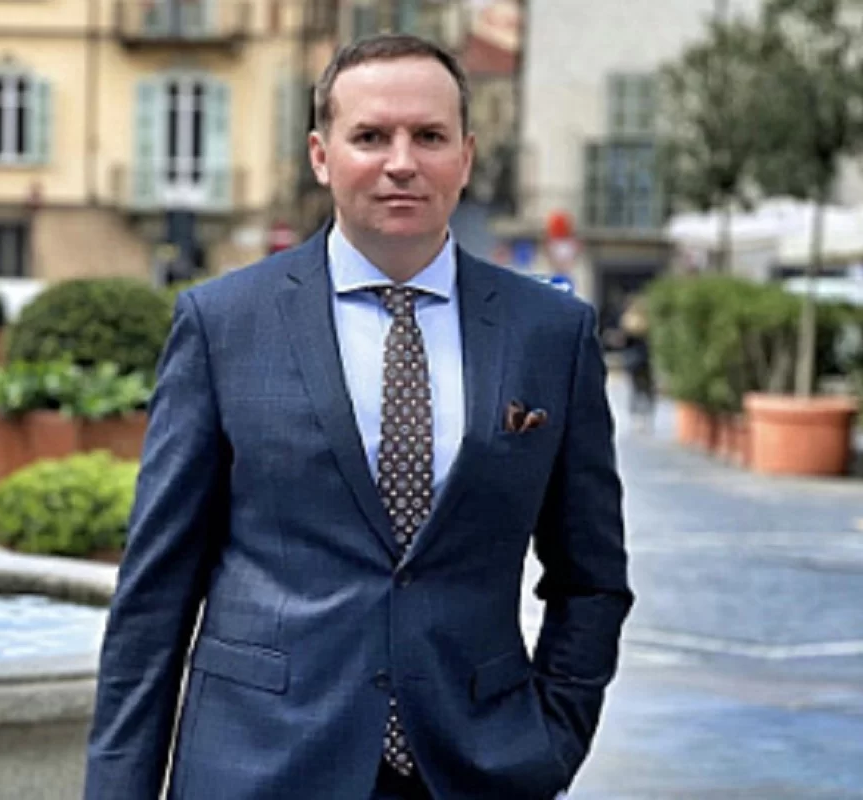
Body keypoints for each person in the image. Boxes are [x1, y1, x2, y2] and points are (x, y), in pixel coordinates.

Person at [85, 34, 633, 800]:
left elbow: (592, 579)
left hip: (475, 769)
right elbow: (155, 595)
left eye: (429, 136)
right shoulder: (223, 324)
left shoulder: (550, 334)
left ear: (466, 156)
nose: (401, 162)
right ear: (322, 155)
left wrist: (550, 741)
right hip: (259, 767)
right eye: (371, 136)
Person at [620, 296, 655, 432]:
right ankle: (646, 415)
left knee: (635, 389)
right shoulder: (648, 322)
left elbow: (624, 342)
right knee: (646, 388)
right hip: (644, 359)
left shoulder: (628, 321)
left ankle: (636, 417)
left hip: (632, 360)